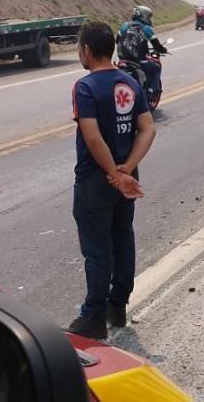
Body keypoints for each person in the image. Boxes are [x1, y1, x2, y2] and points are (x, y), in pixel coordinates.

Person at [67, 22, 156, 339]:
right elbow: (148, 128)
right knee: (122, 238)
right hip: (126, 181)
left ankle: (93, 316)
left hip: (96, 180)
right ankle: (117, 306)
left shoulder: (85, 87)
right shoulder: (130, 83)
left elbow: (92, 137)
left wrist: (113, 174)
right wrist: (127, 169)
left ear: (87, 51)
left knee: (97, 249)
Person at [118, 5, 169, 94]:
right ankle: (150, 91)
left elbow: (117, 40)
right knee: (156, 67)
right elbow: (156, 45)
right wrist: (163, 50)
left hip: (123, 60)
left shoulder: (124, 25)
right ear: (144, 16)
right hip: (138, 60)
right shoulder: (146, 28)